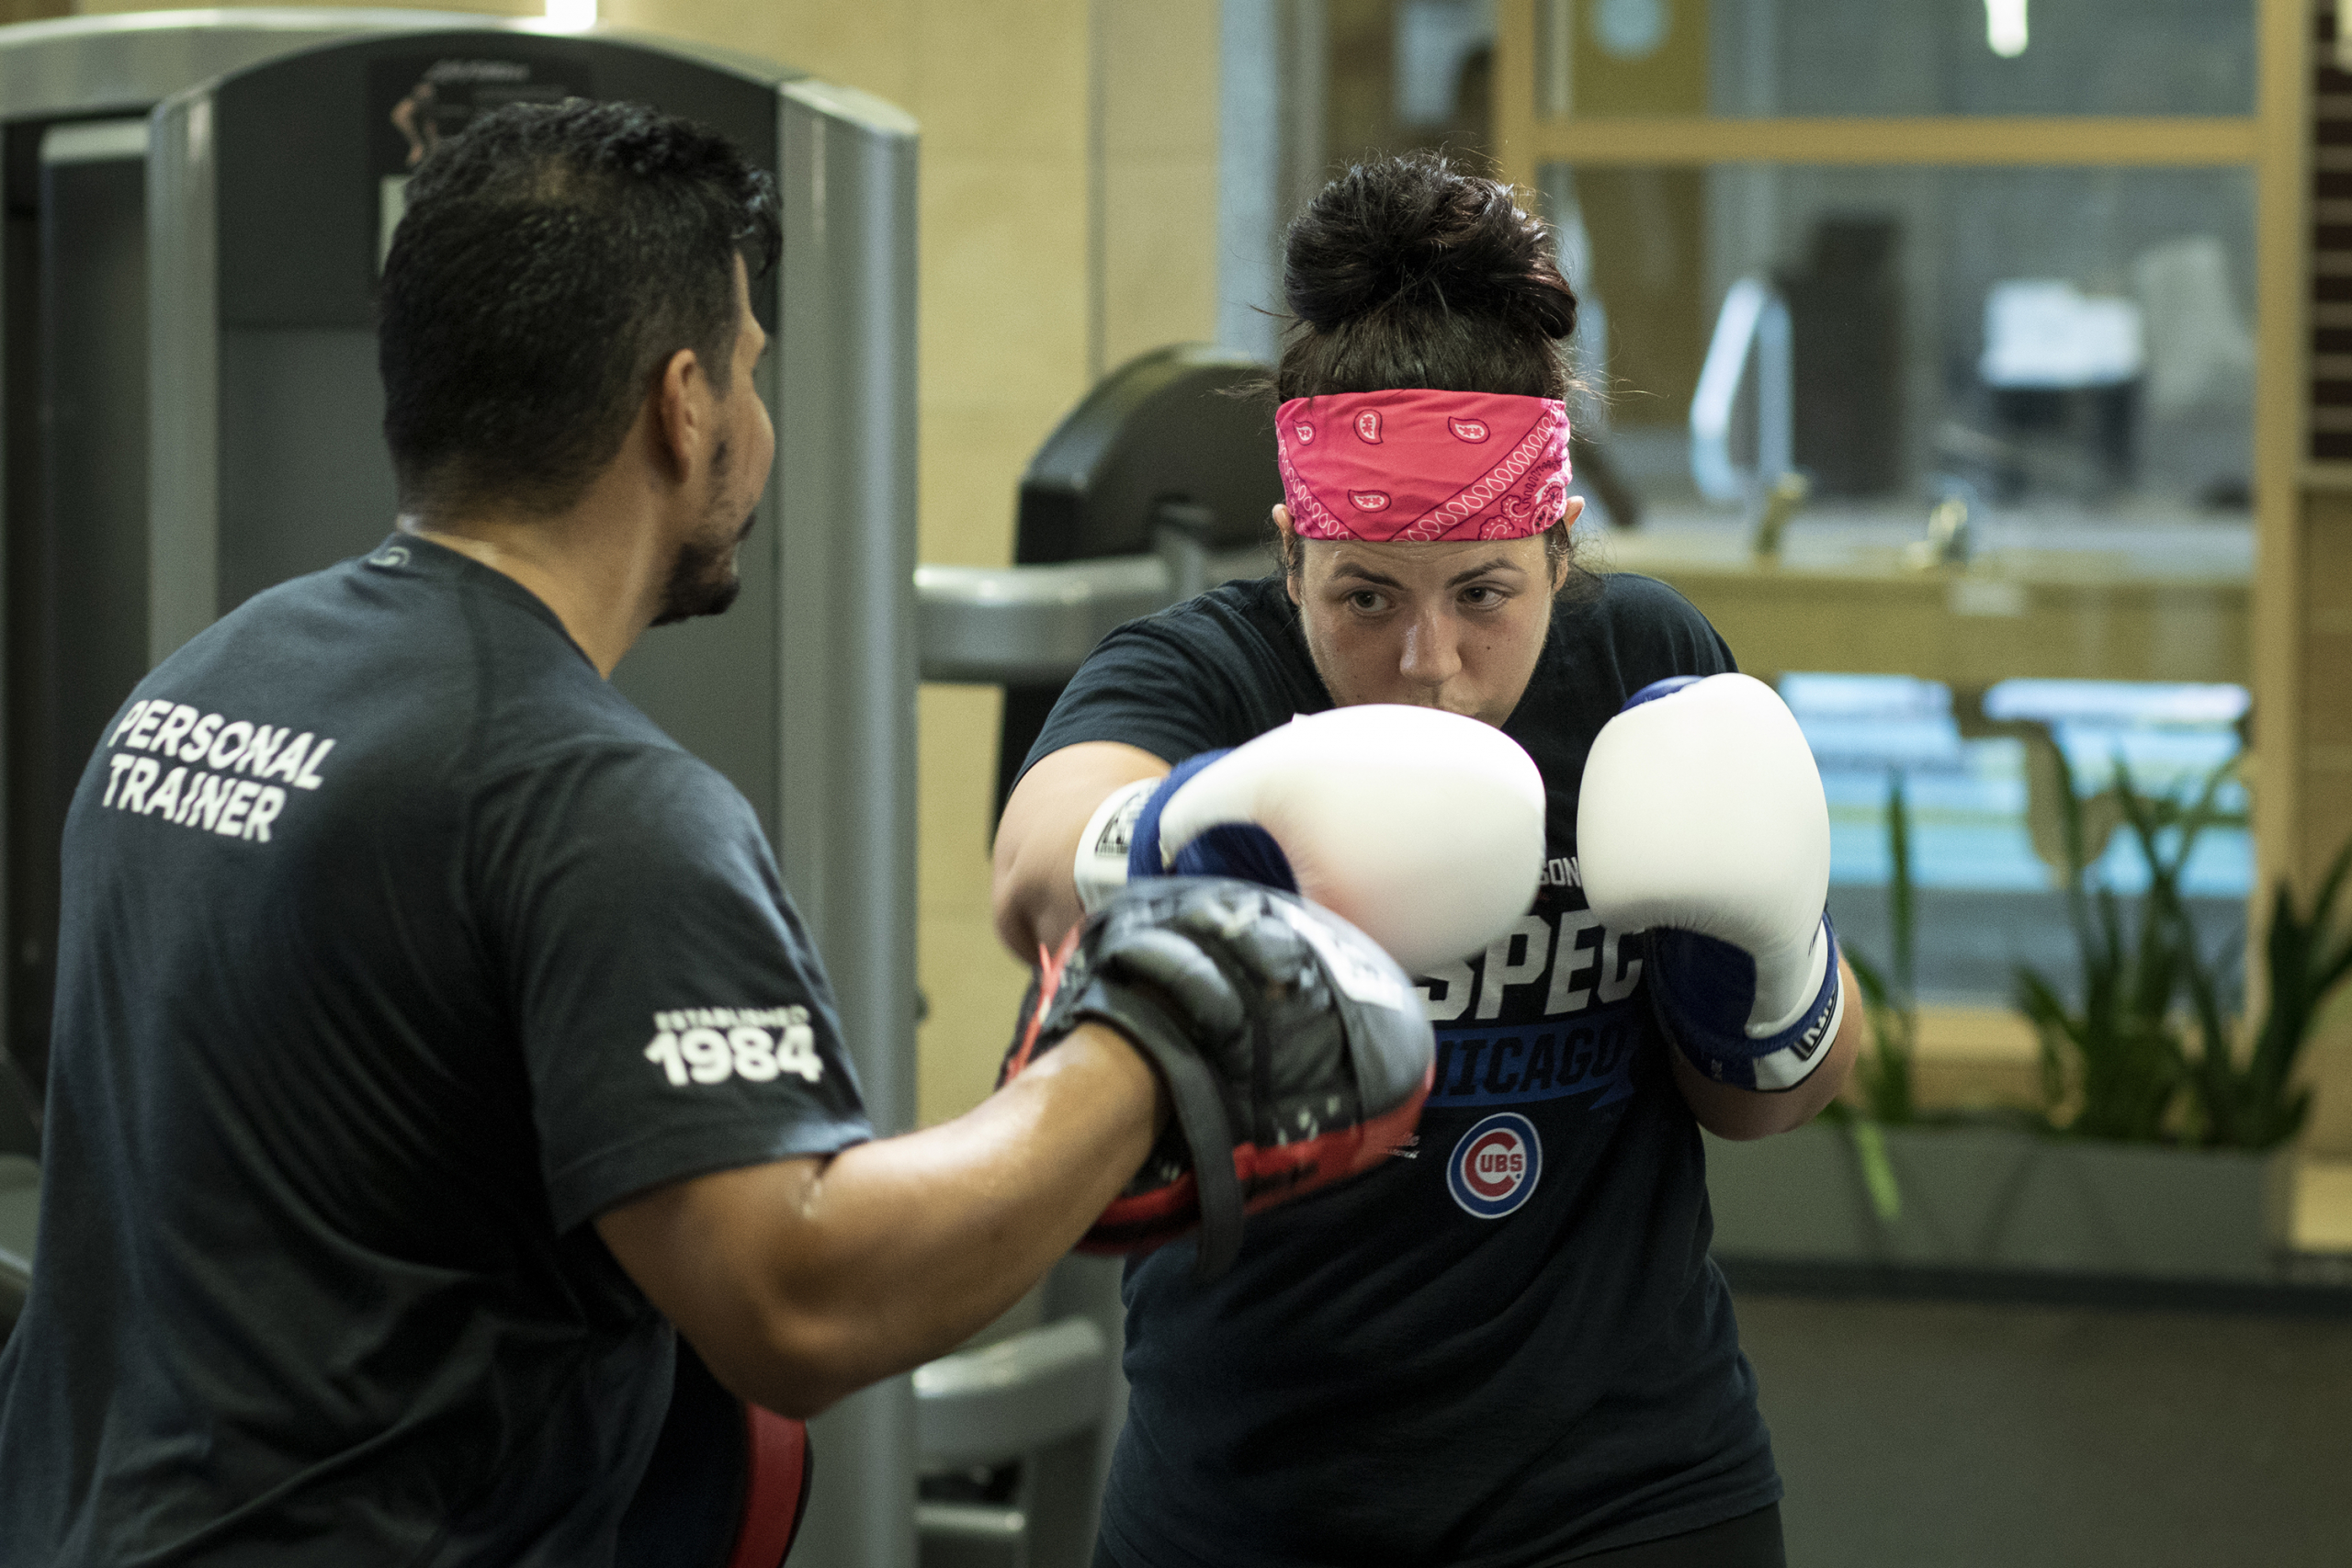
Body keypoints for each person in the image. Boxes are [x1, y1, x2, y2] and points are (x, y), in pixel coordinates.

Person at [0, 102, 1435, 1566]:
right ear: (680, 406)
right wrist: (1143, 1053)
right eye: (749, 370)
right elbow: (798, 1301)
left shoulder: (196, 690)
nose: (756, 419)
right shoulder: (589, 801)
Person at [992, 152, 1862, 1568]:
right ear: (1289, 557)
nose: (1431, 664)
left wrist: (1773, 966)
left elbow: (1771, 1104)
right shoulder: (1205, 678)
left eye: (1484, 594)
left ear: (1561, 547)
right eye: (1364, 598)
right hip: (1250, 1498)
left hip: (1630, 1487)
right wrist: (1209, 825)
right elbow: (1034, 869)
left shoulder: (1647, 667)